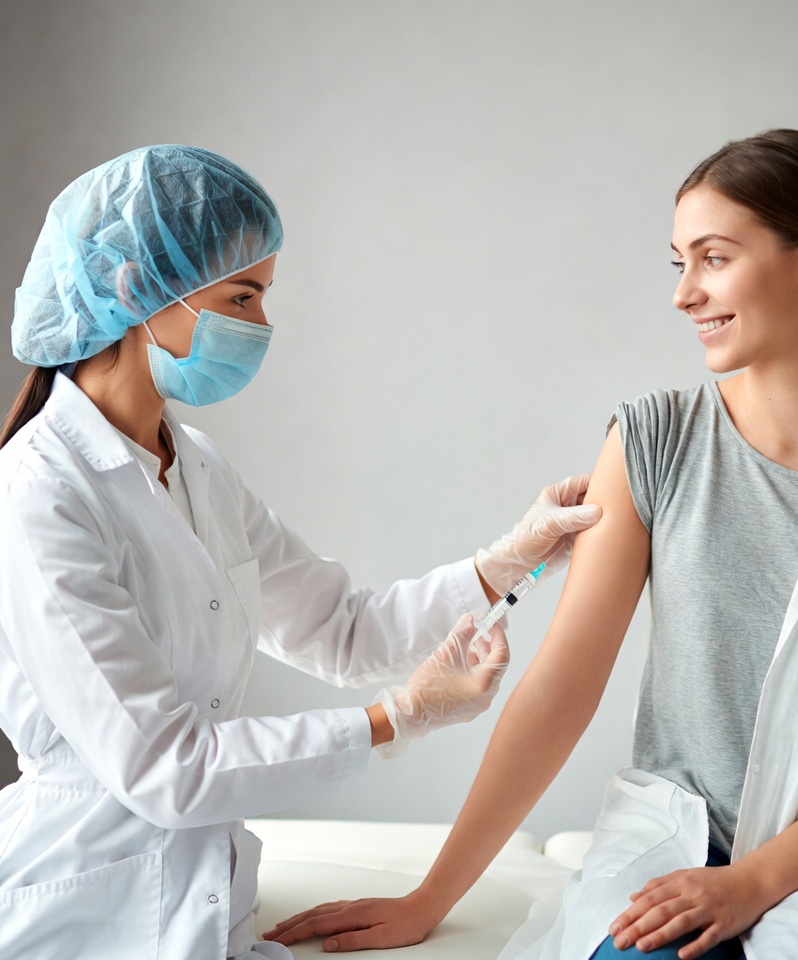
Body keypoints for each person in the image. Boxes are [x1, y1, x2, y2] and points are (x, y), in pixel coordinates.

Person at [264, 129, 798, 959]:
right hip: (679, 837)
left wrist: (752, 881)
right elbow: (561, 688)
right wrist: (428, 899)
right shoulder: (653, 440)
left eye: (713, 258)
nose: (684, 294)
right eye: (680, 263)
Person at [0, 144, 601, 960]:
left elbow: (343, 632)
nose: (260, 327)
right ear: (135, 289)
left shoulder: (196, 466)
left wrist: (509, 559)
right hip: (87, 913)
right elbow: (167, 770)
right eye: (241, 297)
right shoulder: (39, 492)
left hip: (209, 902)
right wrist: (396, 718)